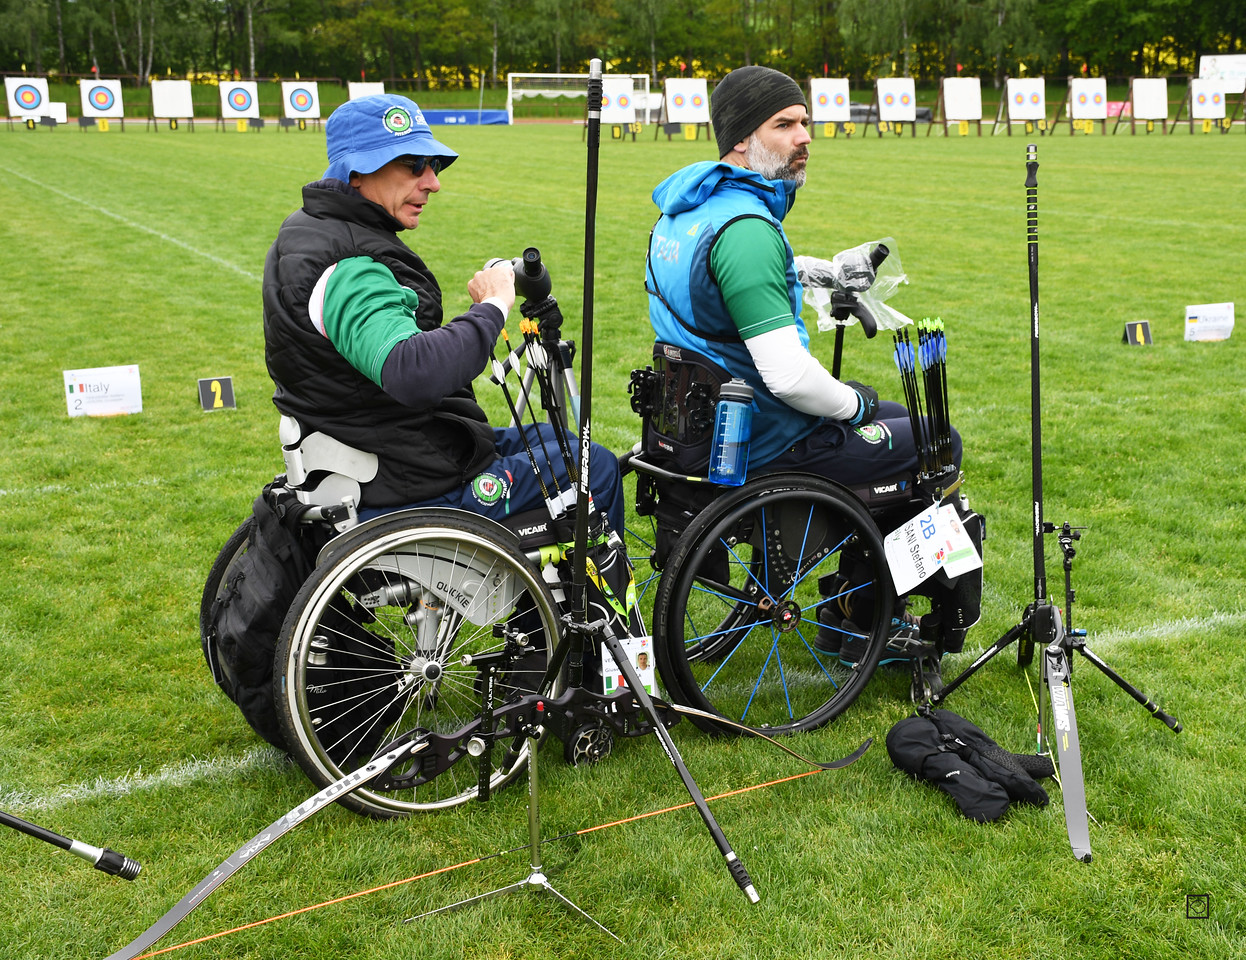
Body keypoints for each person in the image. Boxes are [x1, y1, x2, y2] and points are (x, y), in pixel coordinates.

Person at [644, 66, 964, 662]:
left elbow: (720, 291)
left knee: (899, 417)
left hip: (695, 423)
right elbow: (787, 375)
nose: (804, 138)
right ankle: (860, 622)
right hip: (763, 436)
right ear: (741, 139)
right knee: (935, 440)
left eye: (805, 123)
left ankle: (856, 611)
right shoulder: (746, 230)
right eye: (784, 125)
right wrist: (854, 402)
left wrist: (812, 271)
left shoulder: (685, 213)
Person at [262, 94, 624, 528]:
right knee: (593, 466)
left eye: (434, 166)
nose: (432, 182)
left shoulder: (317, 230)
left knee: (561, 441)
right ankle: (598, 597)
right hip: (404, 479)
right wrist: (492, 306)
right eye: (414, 165)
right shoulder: (350, 269)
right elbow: (413, 369)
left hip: (392, 450)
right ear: (357, 171)